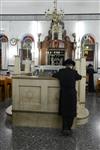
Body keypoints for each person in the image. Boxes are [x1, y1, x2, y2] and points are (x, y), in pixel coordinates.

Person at [52, 59, 82, 136]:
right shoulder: (74, 72)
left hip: (64, 93)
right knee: (71, 110)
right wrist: (74, 71)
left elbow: (54, 75)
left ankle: (64, 128)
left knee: (64, 110)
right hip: (71, 94)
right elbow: (80, 77)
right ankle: (69, 128)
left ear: (65, 65)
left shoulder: (61, 71)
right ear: (72, 65)